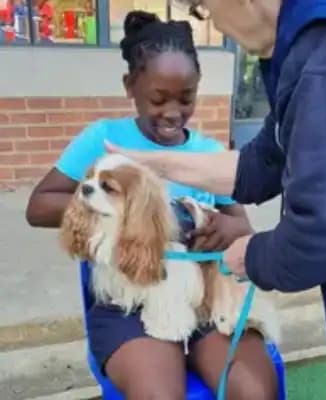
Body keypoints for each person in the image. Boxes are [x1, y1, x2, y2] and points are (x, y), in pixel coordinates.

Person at [106, 1, 326, 399]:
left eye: (203, 8)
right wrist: (151, 164)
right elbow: (262, 162)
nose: (215, 23)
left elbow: (318, 232)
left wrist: (251, 255)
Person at [26, 10, 278, 400]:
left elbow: (240, 225)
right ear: (131, 86)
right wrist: (134, 214)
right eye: (158, 99)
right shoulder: (104, 140)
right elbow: (39, 205)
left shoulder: (209, 152)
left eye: (187, 98)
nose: (173, 113)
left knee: (255, 391)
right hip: (129, 300)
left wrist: (226, 229)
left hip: (205, 298)